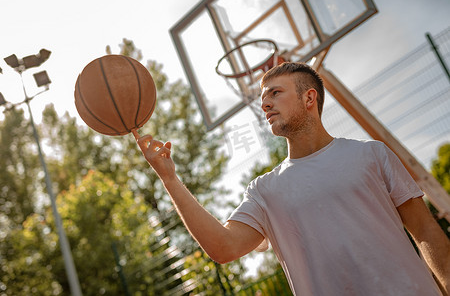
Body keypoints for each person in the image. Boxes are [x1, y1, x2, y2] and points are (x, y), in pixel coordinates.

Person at [136, 62, 450, 296]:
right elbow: (223, 247)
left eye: (275, 93)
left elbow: (425, 229)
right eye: (263, 97)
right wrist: (169, 178)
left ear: (309, 98)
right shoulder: (265, 190)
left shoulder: (371, 155)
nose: (265, 103)